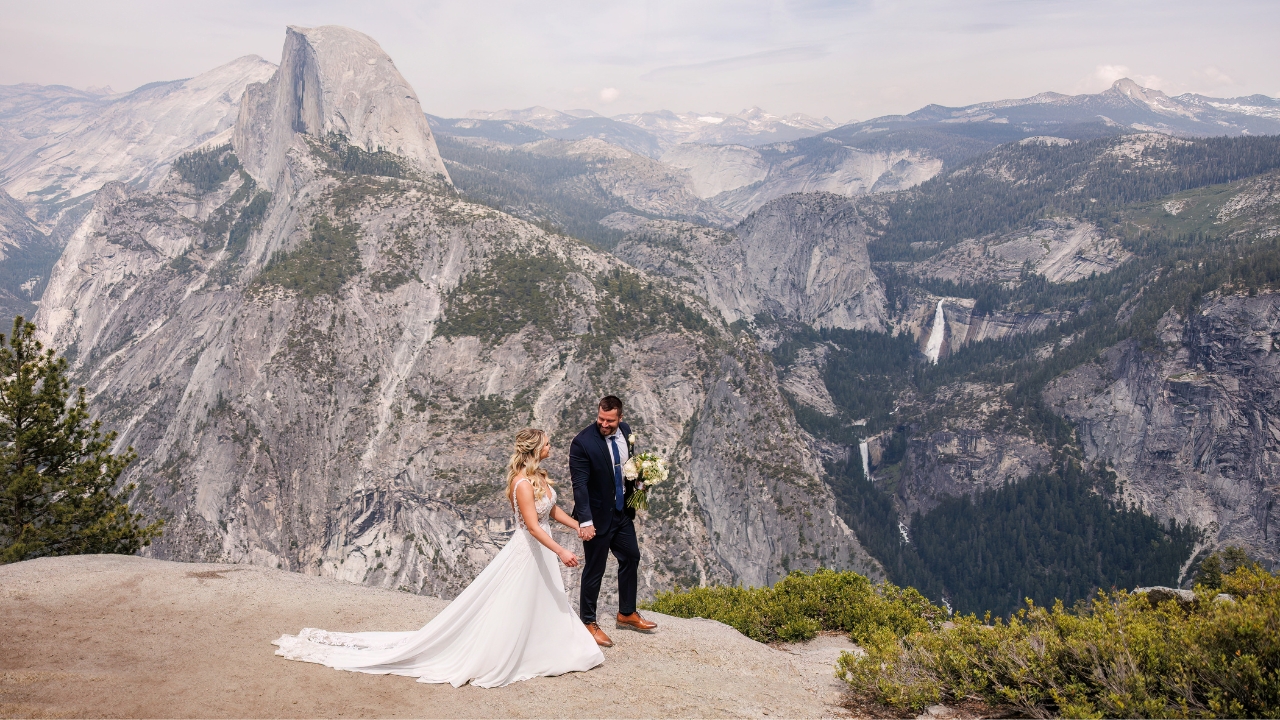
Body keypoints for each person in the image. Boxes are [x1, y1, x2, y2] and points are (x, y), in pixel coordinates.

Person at [272, 428, 604, 688]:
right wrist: (559, 549)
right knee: (516, 603)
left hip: (541, 553)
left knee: (546, 600)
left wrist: (577, 526)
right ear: (534, 450)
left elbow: (552, 511)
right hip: (530, 551)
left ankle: (546, 648)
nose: (551, 448)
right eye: (547, 444)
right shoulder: (521, 483)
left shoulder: (541, 478)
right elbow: (532, 526)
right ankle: (507, 653)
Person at [570, 395, 658, 647]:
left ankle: (626, 613)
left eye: (610, 420)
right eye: (601, 418)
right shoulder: (582, 443)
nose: (604, 424)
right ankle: (588, 622)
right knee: (595, 569)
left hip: (621, 512)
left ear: (620, 418)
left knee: (631, 556)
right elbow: (580, 486)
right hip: (596, 518)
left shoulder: (627, 432)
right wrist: (585, 521)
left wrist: (640, 483)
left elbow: (627, 467)